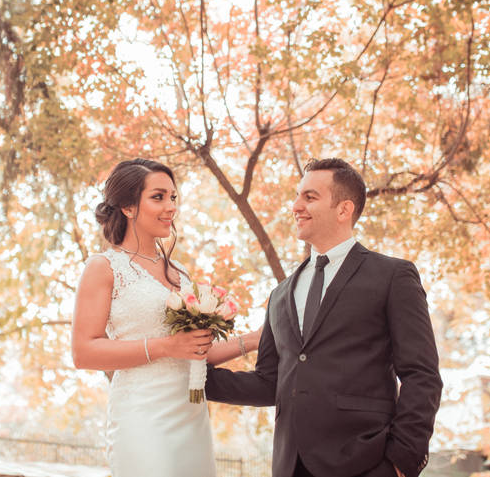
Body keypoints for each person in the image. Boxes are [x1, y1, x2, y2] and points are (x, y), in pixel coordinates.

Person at [206, 158, 442, 477]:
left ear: (344, 210)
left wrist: (402, 460)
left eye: (310, 197)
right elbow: (269, 384)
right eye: (297, 196)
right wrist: (191, 378)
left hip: (368, 462)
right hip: (291, 466)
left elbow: (421, 374)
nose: (296, 206)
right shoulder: (280, 295)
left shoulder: (392, 276)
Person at [71, 158, 261, 477]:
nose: (170, 206)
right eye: (158, 197)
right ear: (129, 207)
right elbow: (83, 352)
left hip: (190, 414)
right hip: (142, 415)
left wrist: (255, 338)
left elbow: (196, 351)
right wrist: (166, 346)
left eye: (173, 197)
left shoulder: (180, 274)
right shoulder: (103, 267)